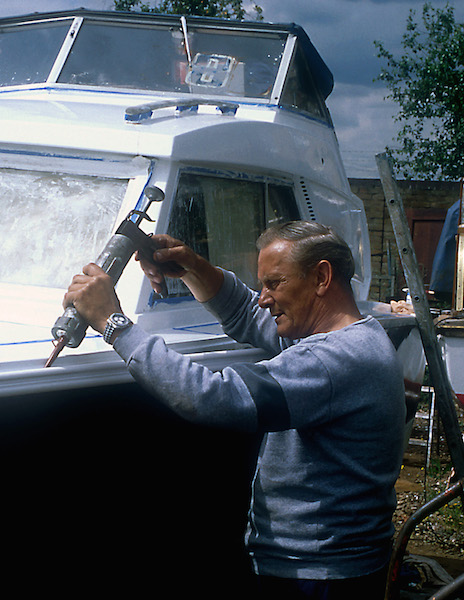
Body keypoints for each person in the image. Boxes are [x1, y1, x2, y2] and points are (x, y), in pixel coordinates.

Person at [63, 220, 406, 599]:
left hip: (319, 575)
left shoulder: (334, 359)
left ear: (322, 277)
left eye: (275, 283)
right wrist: (192, 266)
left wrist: (113, 324)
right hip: (332, 566)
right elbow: (245, 311)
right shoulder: (352, 337)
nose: (263, 297)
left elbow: (212, 396)